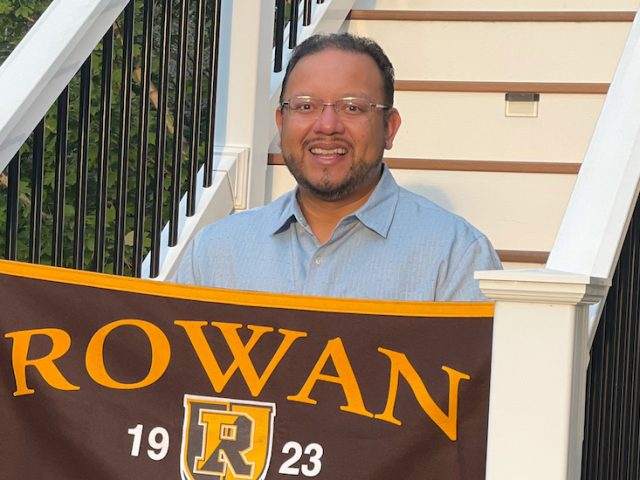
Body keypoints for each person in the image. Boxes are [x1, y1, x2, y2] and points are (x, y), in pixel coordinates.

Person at [174, 33, 501, 301]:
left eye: (352, 107)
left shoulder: (455, 256)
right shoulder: (216, 253)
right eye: (305, 106)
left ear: (389, 127)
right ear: (281, 123)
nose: (327, 126)